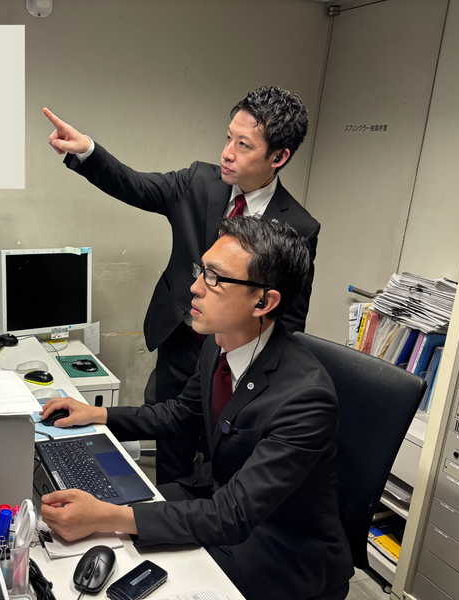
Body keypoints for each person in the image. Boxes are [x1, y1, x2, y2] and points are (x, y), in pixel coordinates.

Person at [39, 217, 353, 600]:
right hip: (219, 500)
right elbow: (180, 414)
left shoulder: (306, 398)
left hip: (283, 546)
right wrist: (98, 415)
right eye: (201, 271)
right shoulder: (220, 342)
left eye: (215, 278)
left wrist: (106, 515)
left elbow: (232, 515)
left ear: (264, 302)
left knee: (139, 565)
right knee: (109, 526)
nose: (196, 287)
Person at [44, 86, 320, 485]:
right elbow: (137, 186)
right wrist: (87, 150)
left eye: (243, 145)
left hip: (237, 362)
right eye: (228, 137)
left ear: (278, 157)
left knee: (223, 462)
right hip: (180, 341)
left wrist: (259, 379)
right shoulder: (199, 181)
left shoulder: (298, 227)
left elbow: (289, 316)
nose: (227, 153)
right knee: (170, 447)